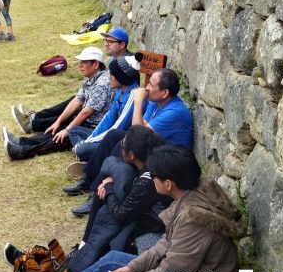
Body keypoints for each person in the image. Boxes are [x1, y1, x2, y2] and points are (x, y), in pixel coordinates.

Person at [58, 145, 246, 272]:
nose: (150, 178)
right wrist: (131, 269)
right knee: (113, 259)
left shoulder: (194, 220)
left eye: (153, 175)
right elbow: (163, 246)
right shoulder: (191, 194)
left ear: (168, 183)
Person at [69, 67, 194, 216]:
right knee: (115, 135)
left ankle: (97, 194)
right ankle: (89, 180)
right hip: (156, 147)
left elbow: (138, 134)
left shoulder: (175, 112)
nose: (146, 87)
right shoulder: (156, 101)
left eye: (151, 85)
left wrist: (138, 101)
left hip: (169, 160)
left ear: (164, 93)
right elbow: (139, 131)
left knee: (126, 144)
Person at [64, 125, 168, 272]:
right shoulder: (150, 161)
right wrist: (110, 179)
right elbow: (112, 163)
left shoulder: (147, 180)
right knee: (113, 177)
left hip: (154, 230)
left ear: (132, 155)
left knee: (110, 200)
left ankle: (83, 256)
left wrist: (109, 189)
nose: (120, 148)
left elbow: (121, 216)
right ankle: (85, 250)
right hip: (146, 218)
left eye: (122, 146)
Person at [3, 46, 111, 159]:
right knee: (56, 130)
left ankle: (20, 152)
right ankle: (20, 142)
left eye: (84, 62)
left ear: (95, 64)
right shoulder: (91, 77)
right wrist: (58, 122)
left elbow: (87, 112)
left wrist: (67, 130)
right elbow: (77, 100)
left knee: (60, 138)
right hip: (86, 122)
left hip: (94, 128)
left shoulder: (101, 84)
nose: (80, 66)